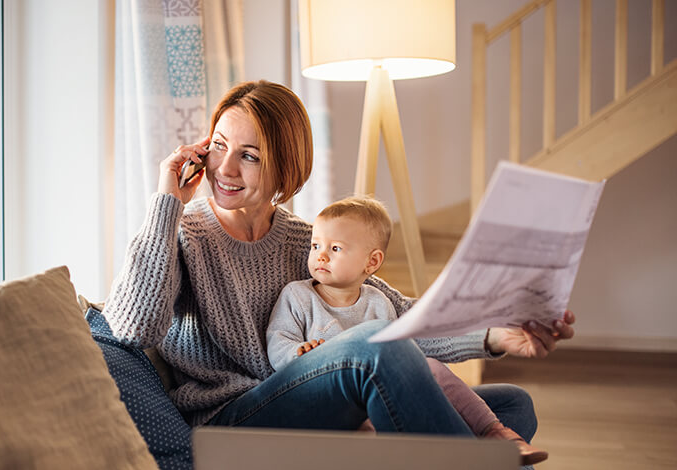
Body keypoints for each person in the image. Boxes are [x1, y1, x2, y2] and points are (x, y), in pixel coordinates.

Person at [102, 80, 575, 456]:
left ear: (285, 168)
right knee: (371, 348)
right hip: (233, 421)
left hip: (316, 403)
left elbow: (400, 318)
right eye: (219, 145)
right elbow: (130, 328)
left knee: (513, 404)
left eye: (249, 155)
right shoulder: (184, 233)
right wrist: (166, 201)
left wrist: (494, 334)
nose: (224, 168)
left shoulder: (307, 240)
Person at [266, 196, 549, 465]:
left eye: (335, 248)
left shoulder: (378, 302)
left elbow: (406, 347)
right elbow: (278, 340)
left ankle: (495, 431)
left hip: (379, 400)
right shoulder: (297, 296)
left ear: (372, 262)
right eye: (315, 246)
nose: (321, 256)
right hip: (331, 401)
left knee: (492, 393)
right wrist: (296, 353)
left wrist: (494, 333)